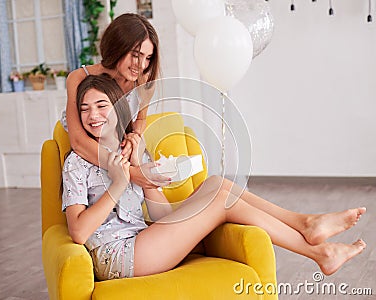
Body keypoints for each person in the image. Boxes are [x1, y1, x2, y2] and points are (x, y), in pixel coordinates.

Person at [63, 73, 367, 281]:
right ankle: (317, 248)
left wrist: (153, 180)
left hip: (144, 242)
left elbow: (160, 216)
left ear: (118, 109)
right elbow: (78, 233)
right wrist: (119, 184)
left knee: (217, 184)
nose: (93, 116)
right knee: (221, 199)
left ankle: (306, 225)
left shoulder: (129, 149)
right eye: (85, 109)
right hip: (118, 259)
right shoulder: (77, 163)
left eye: (102, 105)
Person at [64, 13, 168, 189]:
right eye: (136, 55)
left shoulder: (143, 80)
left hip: (124, 158)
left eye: (148, 57)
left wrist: (135, 135)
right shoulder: (79, 78)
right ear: (117, 46)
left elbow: (141, 119)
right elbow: (78, 142)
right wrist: (130, 173)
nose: (142, 65)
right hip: (90, 163)